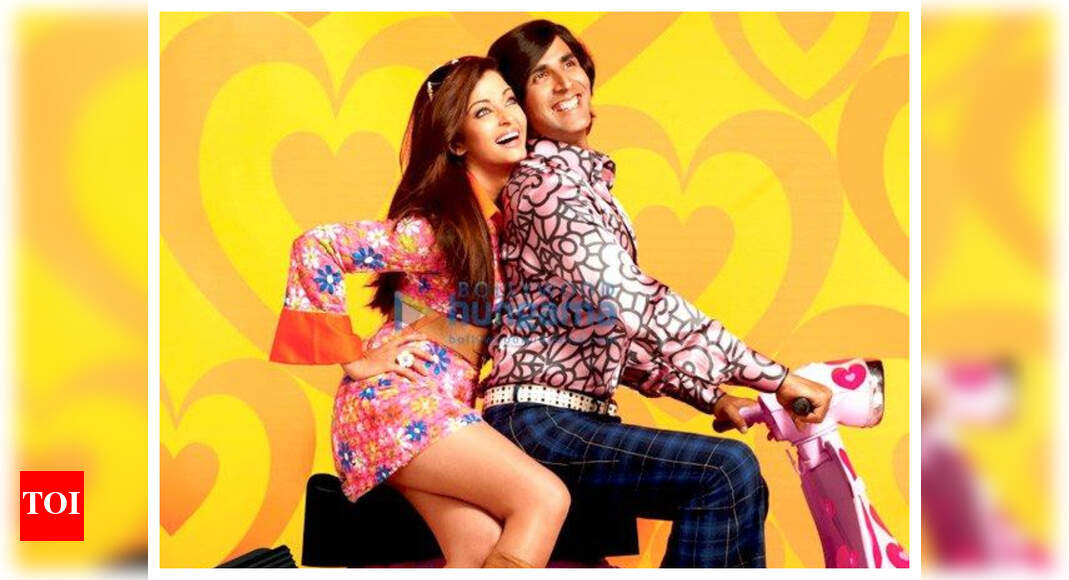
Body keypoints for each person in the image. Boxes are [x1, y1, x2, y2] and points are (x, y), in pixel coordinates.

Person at [479, 21, 835, 567]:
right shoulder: (546, 185)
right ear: (521, 105)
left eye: (569, 63)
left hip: (576, 417)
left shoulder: (582, 183)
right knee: (724, 471)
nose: (564, 83)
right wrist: (776, 377)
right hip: (539, 420)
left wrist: (708, 395)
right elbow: (631, 302)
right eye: (539, 76)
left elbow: (602, 328)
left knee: (742, 485)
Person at [268, 56, 569, 568]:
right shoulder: (435, 229)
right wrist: (356, 360)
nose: (507, 117)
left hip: (438, 410)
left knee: (477, 550)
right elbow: (317, 246)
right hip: (398, 406)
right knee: (544, 497)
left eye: (509, 101)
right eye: (483, 111)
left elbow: (445, 317)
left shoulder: (499, 224)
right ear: (456, 142)